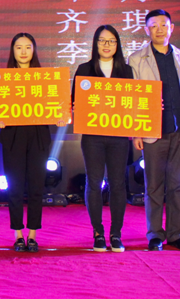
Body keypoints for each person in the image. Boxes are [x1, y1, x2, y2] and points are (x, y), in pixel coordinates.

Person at [128, 10, 180, 251]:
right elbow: (133, 96)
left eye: (163, 24)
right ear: (146, 30)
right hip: (153, 130)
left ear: (172, 28)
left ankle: (176, 234)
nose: (159, 29)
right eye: (153, 25)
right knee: (154, 186)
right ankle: (155, 235)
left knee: (178, 185)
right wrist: (136, 131)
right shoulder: (137, 58)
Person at [72, 25, 134, 252]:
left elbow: (135, 102)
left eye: (111, 41)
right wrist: (76, 106)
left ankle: (116, 233)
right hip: (92, 137)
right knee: (94, 182)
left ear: (117, 44)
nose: (106, 45)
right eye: (102, 40)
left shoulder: (126, 71)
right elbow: (74, 101)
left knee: (118, 184)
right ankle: (98, 232)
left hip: (119, 137)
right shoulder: (84, 69)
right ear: (95, 43)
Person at [0, 33, 52, 253]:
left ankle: (33, 235)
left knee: (36, 187)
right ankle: (18, 234)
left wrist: (59, 115)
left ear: (34, 50)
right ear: (12, 51)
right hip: (13, 135)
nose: (23, 52)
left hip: (38, 135)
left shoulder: (45, 78)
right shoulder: (2, 79)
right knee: (15, 188)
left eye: (28, 47)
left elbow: (55, 105)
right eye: (19, 47)